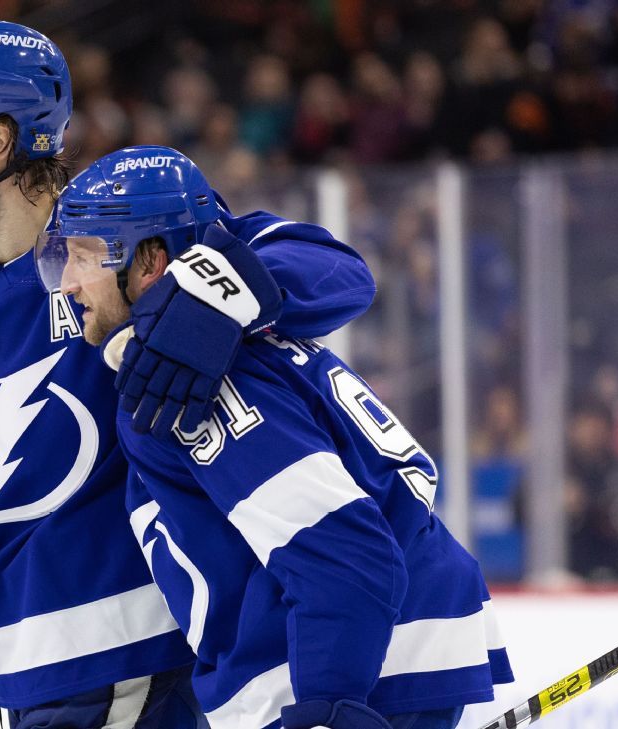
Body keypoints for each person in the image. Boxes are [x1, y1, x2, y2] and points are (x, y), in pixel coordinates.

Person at [0, 21, 376, 728]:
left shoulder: (120, 227)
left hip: (152, 654)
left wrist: (215, 293)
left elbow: (337, 272)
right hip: (25, 672)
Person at [37, 146, 513, 729]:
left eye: (84, 256)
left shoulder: (192, 381)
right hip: (381, 659)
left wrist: (325, 705)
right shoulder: (228, 335)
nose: (67, 281)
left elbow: (345, 553)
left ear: (150, 263)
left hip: (358, 675)